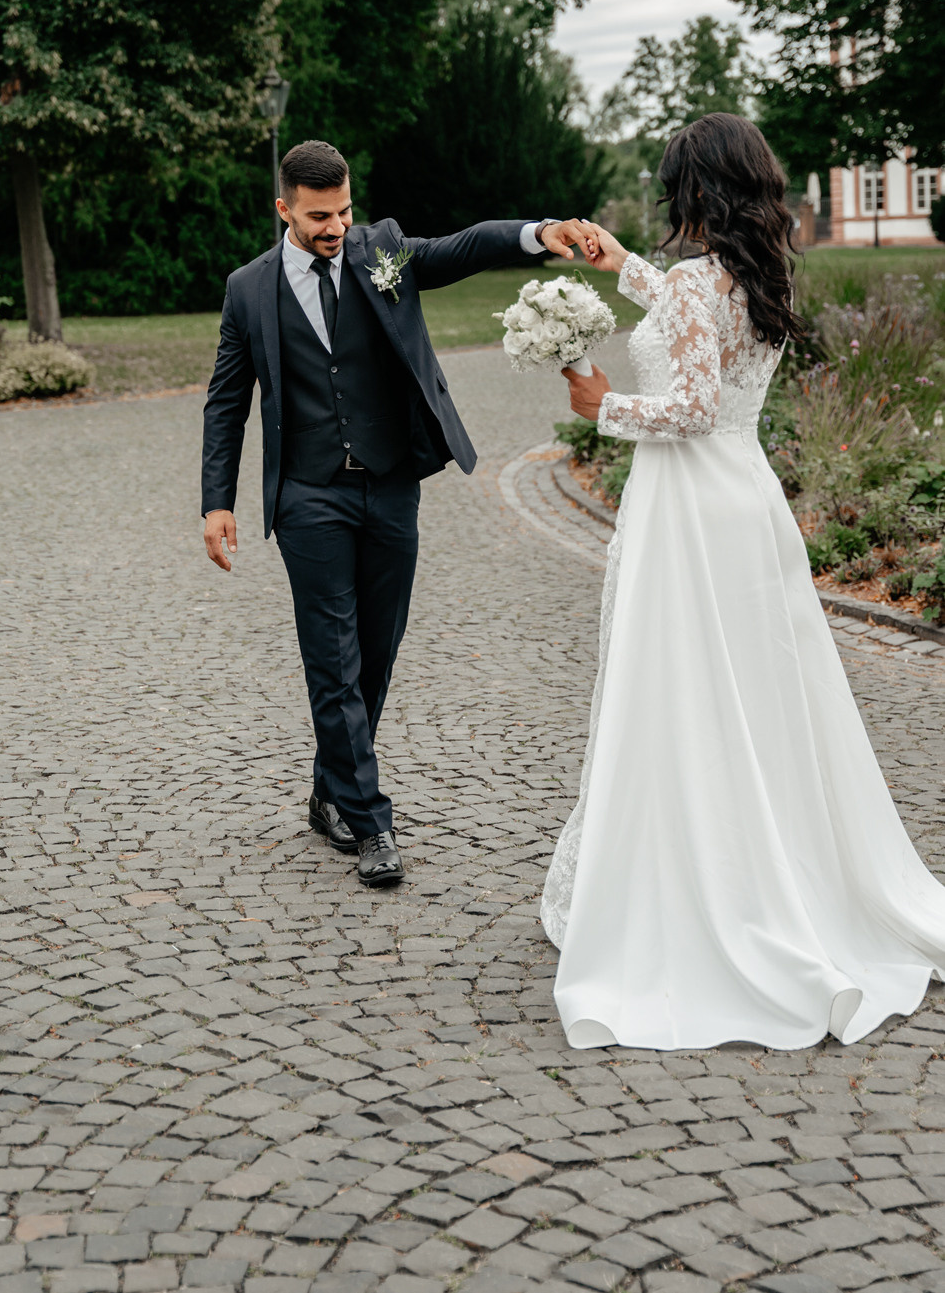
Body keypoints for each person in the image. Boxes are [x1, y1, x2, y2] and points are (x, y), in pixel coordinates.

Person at [544, 112, 945, 1049]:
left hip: (686, 510)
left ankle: (694, 893)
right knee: (761, 694)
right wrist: (620, 267)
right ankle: (791, 867)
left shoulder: (694, 284)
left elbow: (684, 404)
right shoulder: (752, 275)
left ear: (693, 187)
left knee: (678, 690)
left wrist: (604, 407)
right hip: (746, 499)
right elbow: (706, 350)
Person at [202, 138, 589, 887]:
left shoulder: (380, 251)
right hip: (307, 496)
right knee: (333, 659)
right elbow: (226, 401)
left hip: (388, 487)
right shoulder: (247, 289)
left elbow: (462, 246)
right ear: (283, 209)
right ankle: (372, 821)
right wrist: (217, 500)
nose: (335, 226)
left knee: (375, 651)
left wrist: (535, 233)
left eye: (343, 209)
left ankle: (330, 789)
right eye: (318, 216)